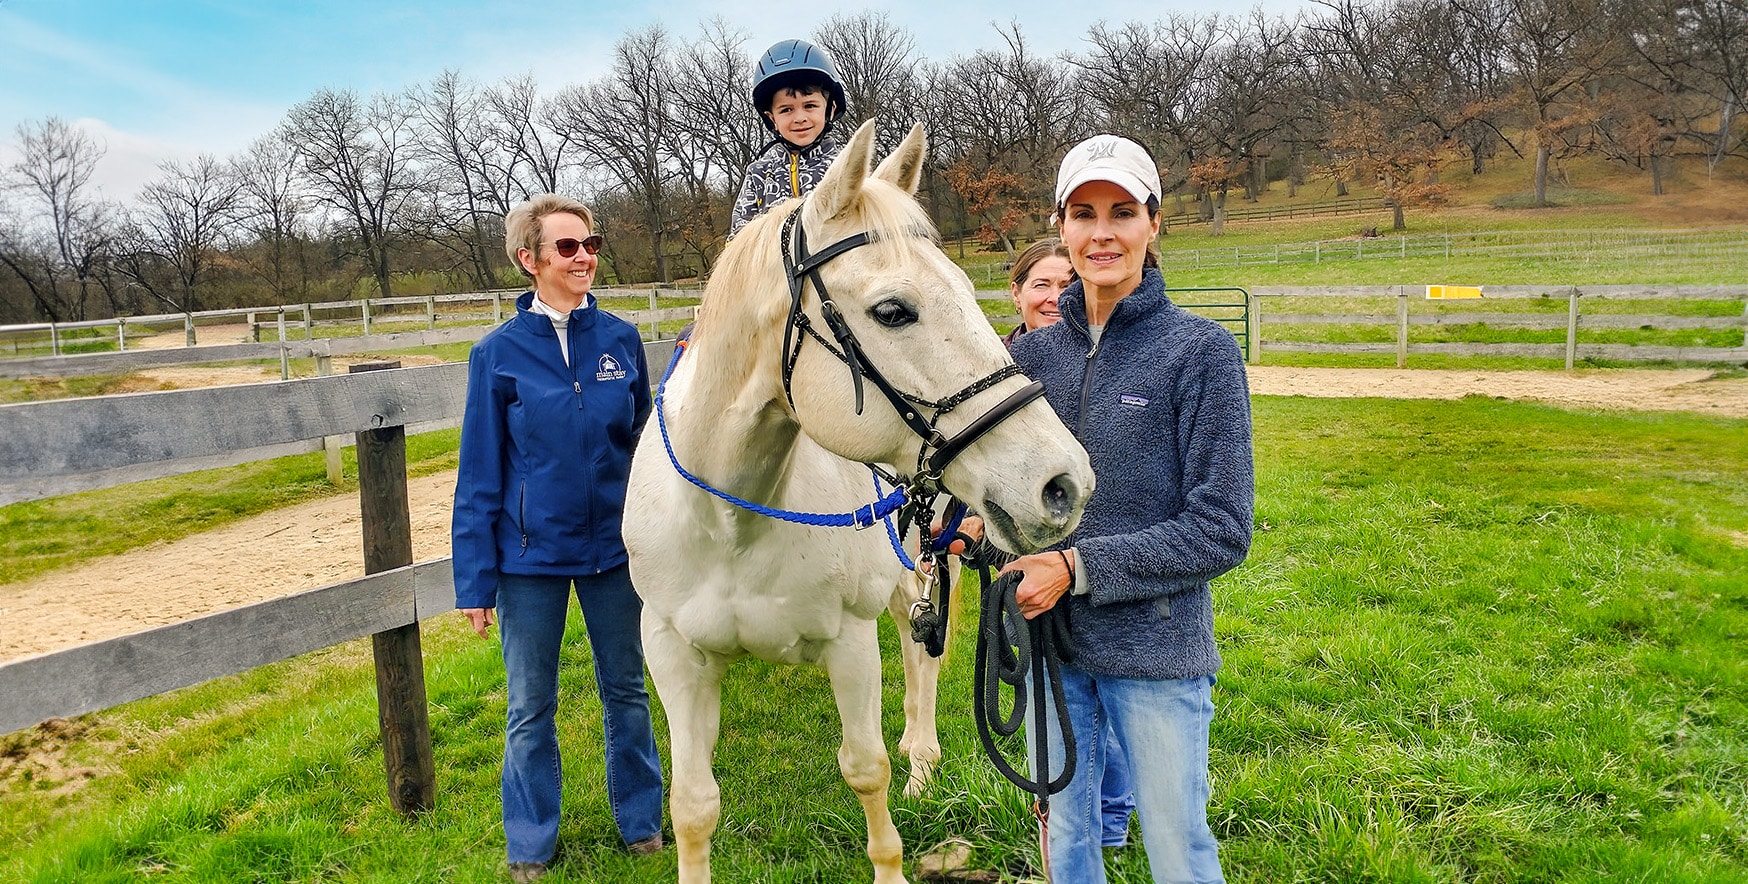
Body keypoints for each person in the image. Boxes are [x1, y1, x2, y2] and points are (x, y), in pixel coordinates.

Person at [967, 135, 1254, 882]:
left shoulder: (1201, 353)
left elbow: (1221, 527)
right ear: (1060, 225)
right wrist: (985, 541)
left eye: (1122, 212)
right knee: (1067, 834)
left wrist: (1077, 568)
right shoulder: (1027, 361)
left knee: (1175, 843)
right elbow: (1013, 508)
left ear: (1153, 225)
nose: (1102, 233)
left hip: (1155, 653)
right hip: (1046, 649)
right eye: (1084, 213)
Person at [451, 194, 665, 883]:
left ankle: (641, 823)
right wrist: (475, 580)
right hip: (529, 562)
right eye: (568, 247)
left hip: (612, 554)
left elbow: (644, 446)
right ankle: (531, 842)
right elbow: (479, 472)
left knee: (626, 691)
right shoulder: (498, 356)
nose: (585, 257)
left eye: (591, 244)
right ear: (530, 259)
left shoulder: (621, 341)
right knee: (529, 705)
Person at [1003, 237, 1138, 851]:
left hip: (1099, 553)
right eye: (1041, 285)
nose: (1054, 297)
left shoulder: (1102, 355)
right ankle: (1058, 814)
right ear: (1018, 293)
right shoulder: (998, 366)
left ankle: (1107, 814)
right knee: (1044, 690)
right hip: (1019, 555)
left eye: (1065, 285)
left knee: (1102, 692)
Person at [728, 38, 850, 236]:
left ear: (830, 109)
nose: (800, 118)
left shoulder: (846, 165)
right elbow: (738, 241)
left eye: (810, 106)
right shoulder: (758, 174)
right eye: (786, 110)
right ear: (772, 118)